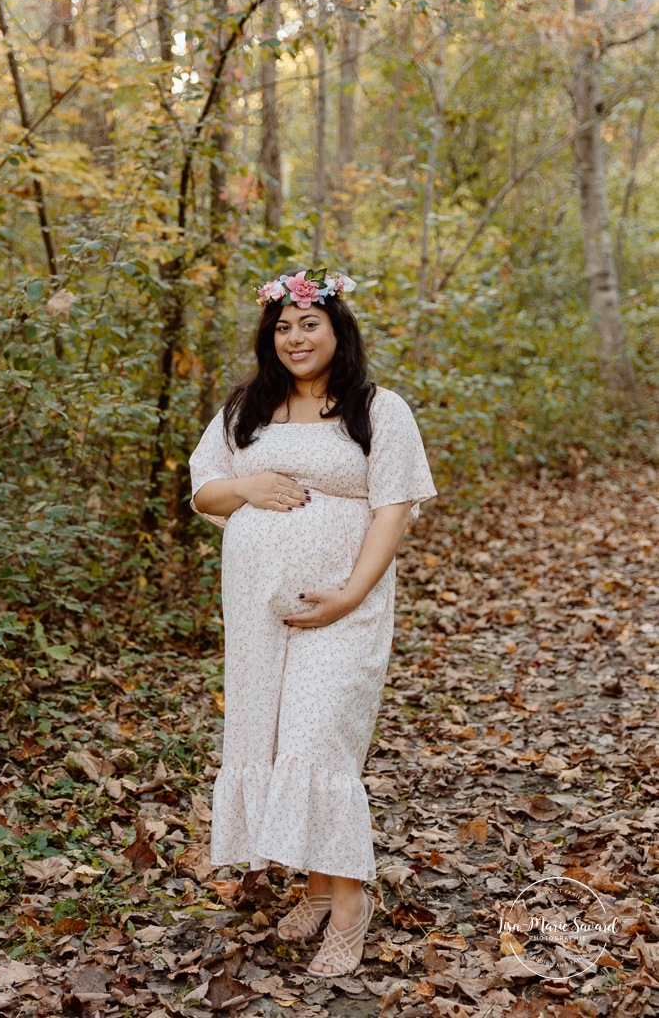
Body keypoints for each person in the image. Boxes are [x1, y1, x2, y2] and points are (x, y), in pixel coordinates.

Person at [188, 268, 438, 978]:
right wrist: (247, 486)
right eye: (283, 328)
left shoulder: (375, 407)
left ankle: (350, 902)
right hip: (254, 607)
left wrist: (351, 593)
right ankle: (318, 886)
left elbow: (392, 508)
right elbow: (205, 489)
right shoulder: (246, 407)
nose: (295, 338)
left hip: (343, 602)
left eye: (308, 324)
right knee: (273, 735)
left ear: (337, 332)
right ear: (271, 339)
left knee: (317, 737)